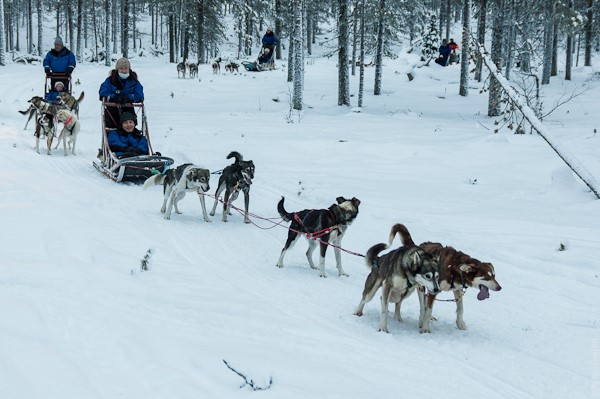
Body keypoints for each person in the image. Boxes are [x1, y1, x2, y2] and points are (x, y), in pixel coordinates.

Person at [99, 57, 144, 128]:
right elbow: (103, 92)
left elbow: (140, 95)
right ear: (117, 69)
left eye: (126, 68)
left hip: (128, 110)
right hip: (112, 110)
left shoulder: (134, 81)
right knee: (113, 131)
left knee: (130, 129)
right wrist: (114, 97)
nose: (124, 71)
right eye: (121, 68)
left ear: (129, 69)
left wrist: (129, 97)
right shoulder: (110, 80)